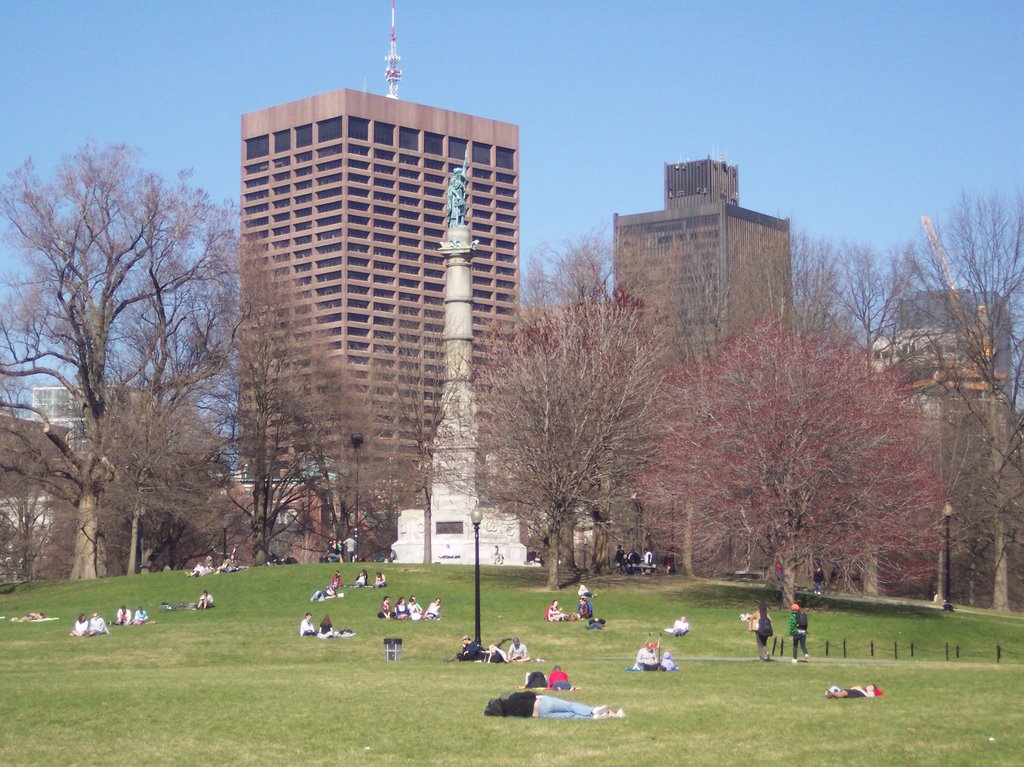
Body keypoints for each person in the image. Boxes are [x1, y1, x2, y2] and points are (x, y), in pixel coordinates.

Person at [484, 691, 624, 719]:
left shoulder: (509, 715)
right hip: (542, 703)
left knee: (570, 716)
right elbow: (531, 694)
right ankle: (593, 711)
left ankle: (594, 717)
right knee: (569, 706)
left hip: (540, 715)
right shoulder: (513, 697)